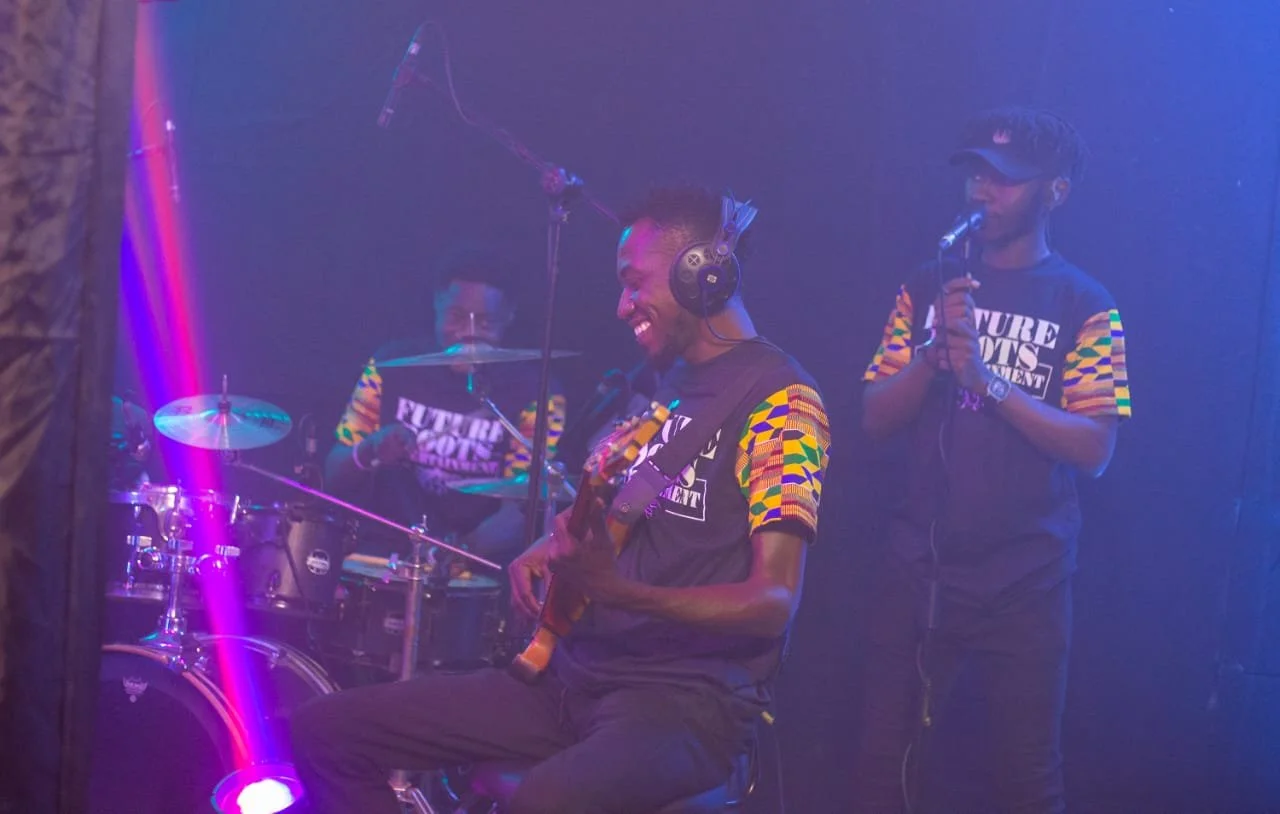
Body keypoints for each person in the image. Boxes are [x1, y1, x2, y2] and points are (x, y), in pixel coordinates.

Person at [291, 185, 832, 814]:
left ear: (701, 275)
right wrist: (553, 546)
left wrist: (622, 592)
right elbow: (637, 519)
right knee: (325, 731)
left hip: (685, 702)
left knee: (540, 802)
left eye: (635, 283)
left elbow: (773, 603)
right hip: (579, 678)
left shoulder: (781, 402)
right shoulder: (672, 388)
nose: (623, 305)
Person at [853, 107, 1132, 813]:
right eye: (977, 174)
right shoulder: (926, 285)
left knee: (1026, 779)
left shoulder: (1085, 304)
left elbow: (1095, 448)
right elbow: (875, 417)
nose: (983, 191)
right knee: (884, 765)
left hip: (1027, 583)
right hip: (920, 570)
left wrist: (988, 380)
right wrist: (932, 355)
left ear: (1055, 192)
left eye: (1005, 180)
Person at [324, 246, 567, 565]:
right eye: (455, 317)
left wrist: (457, 554)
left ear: (509, 315)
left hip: (473, 568)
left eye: (483, 322)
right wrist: (370, 448)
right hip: (382, 559)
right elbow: (334, 475)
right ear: (436, 303)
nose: (467, 332)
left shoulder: (539, 394)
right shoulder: (390, 366)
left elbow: (521, 506)